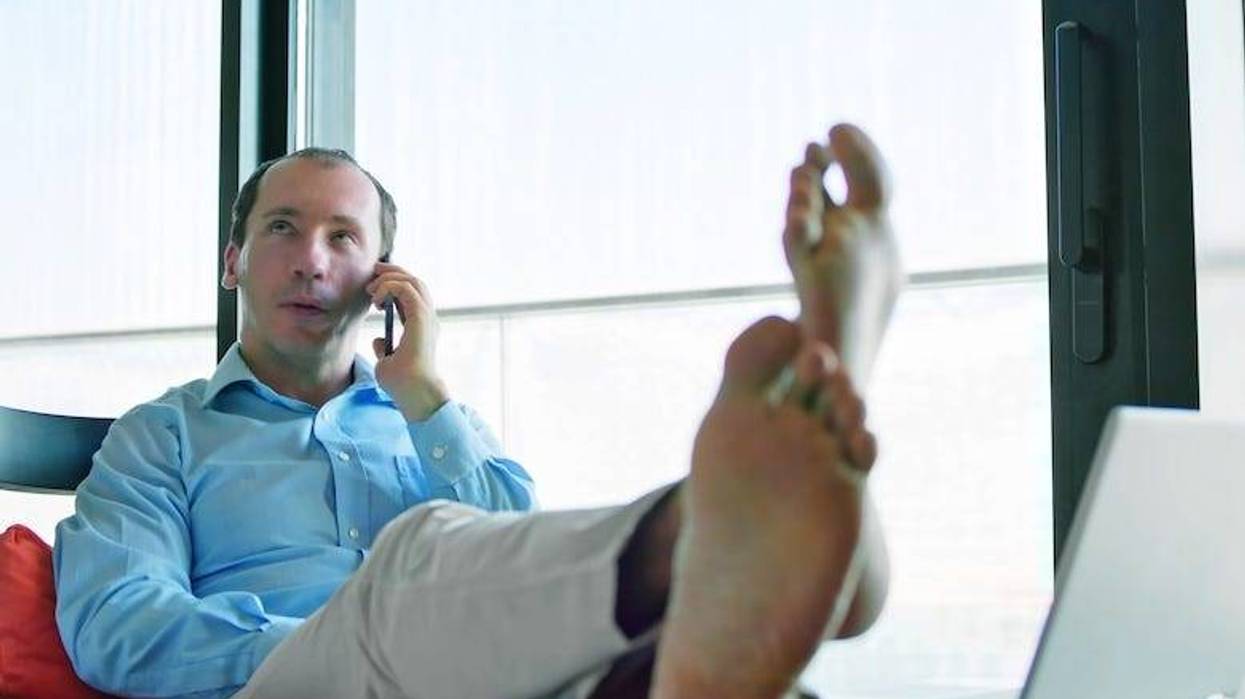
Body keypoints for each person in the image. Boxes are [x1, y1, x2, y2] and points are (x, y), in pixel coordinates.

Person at [54, 122, 900, 699]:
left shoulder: (425, 421)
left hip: (462, 672)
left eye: (342, 237)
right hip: (284, 685)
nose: (311, 261)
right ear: (233, 262)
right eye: (282, 228)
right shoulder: (160, 436)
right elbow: (116, 625)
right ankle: (714, 530)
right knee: (409, 566)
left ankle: (734, 554)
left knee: (656, 670)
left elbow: (516, 563)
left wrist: (425, 396)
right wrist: (338, 635)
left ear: (384, 278)